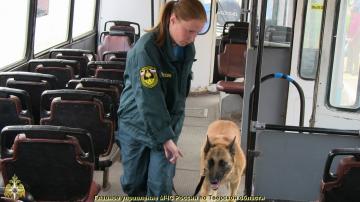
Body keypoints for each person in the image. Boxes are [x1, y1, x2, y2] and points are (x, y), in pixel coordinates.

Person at [116, 0, 206, 199]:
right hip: (136, 123)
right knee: (133, 183)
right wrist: (165, 136)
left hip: (168, 123)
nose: (193, 38)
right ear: (172, 20)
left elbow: (180, 92)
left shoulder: (187, 49)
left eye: (197, 32)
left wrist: (171, 131)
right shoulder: (146, 49)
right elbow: (149, 98)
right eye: (189, 31)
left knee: (160, 185)